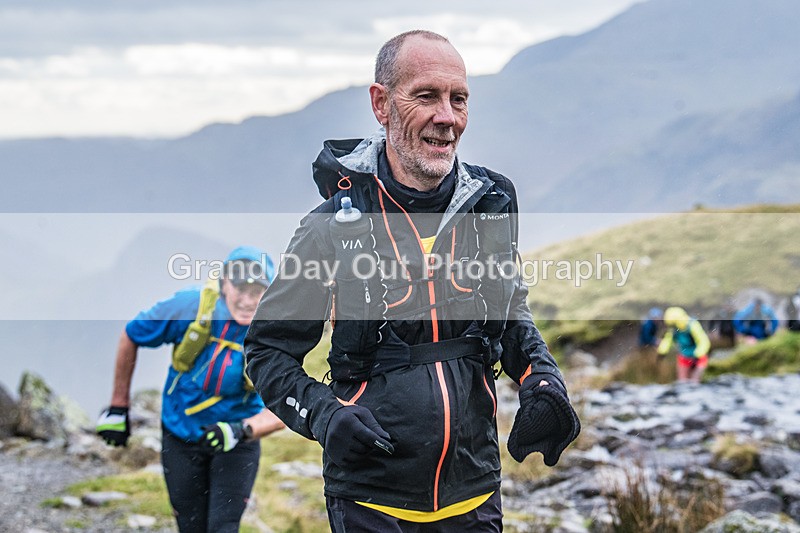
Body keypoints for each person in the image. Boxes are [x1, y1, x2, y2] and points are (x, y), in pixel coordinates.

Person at [245, 30, 580, 532]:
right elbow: (268, 351)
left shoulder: (490, 207)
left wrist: (542, 379)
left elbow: (509, 314)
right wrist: (323, 414)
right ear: (381, 104)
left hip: (475, 495)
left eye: (459, 99)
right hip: (371, 503)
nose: (447, 117)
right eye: (426, 96)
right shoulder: (330, 227)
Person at [96, 246, 285, 533]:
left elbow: (291, 404)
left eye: (257, 290)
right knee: (190, 527)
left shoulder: (276, 330)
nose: (247, 300)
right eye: (240, 288)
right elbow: (132, 334)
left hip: (236, 442)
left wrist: (241, 430)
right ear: (224, 284)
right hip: (180, 435)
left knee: (223, 527)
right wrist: (119, 406)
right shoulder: (191, 307)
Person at [657, 306, 711, 383]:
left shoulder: (693, 325)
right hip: (684, 357)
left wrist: (697, 355)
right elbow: (667, 340)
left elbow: (703, 341)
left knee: (695, 381)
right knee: (682, 382)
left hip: (699, 358)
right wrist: (662, 352)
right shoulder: (673, 329)